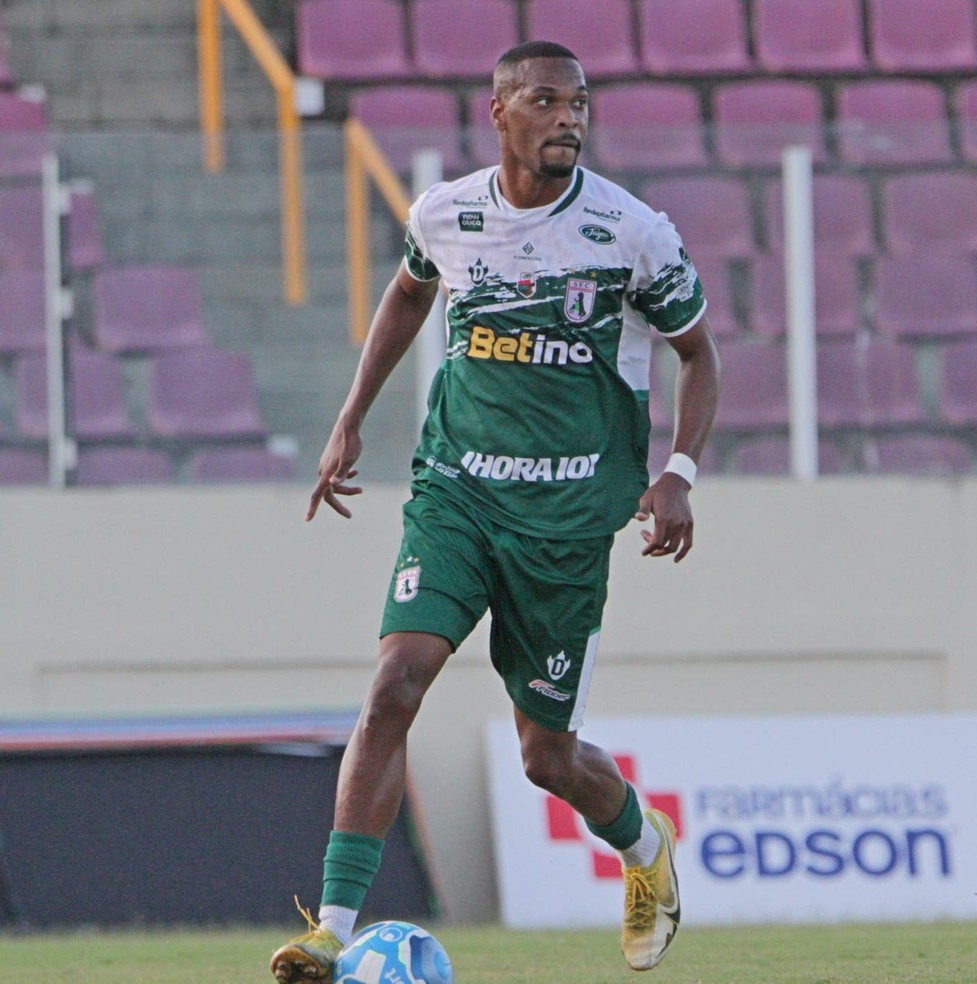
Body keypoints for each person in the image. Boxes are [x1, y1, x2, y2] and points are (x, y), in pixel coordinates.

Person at [271, 39, 720, 982]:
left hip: (565, 521)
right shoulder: (447, 213)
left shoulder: (632, 231)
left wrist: (678, 469)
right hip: (458, 494)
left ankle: (646, 852)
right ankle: (333, 934)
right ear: (501, 112)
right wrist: (349, 421)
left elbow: (698, 354)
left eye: (581, 105)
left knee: (547, 758)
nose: (570, 120)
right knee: (395, 683)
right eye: (549, 103)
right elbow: (405, 294)